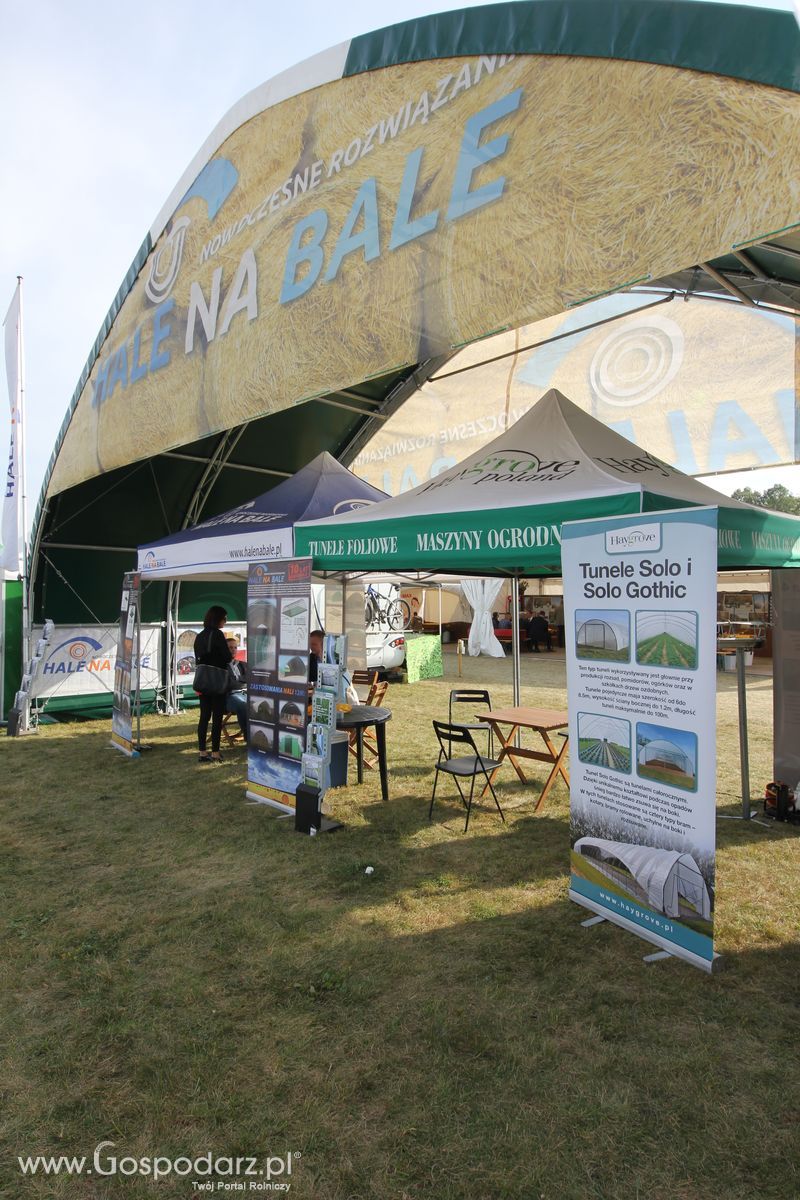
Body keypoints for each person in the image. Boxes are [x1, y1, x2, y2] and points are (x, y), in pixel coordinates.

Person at [194, 605, 232, 763]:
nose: (225, 621)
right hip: (216, 681)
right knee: (217, 717)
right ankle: (215, 752)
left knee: (204, 717)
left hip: (203, 681)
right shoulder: (217, 635)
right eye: (224, 618)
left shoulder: (200, 636)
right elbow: (226, 657)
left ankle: (202, 752)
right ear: (218, 619)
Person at [225, 635, 247, 740]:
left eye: (235, 647)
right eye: (230, 648)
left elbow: (251, 678)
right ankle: (249, 738)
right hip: (230, 696)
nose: (233, 650)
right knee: (243, 705)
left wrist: (236, 678)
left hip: (245, 693)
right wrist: (243, 680)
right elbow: (229, 684)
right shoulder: (221, 666)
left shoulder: (242, 664)